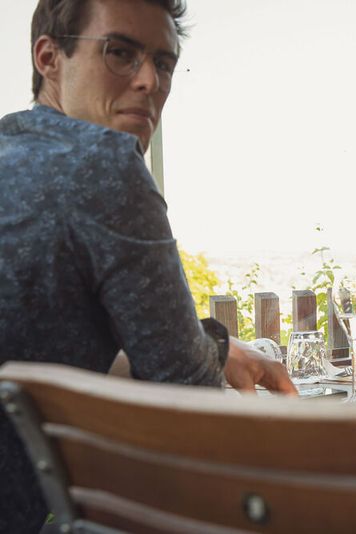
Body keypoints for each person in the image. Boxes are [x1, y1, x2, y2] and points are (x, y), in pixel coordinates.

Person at [0, 1, 296, 531]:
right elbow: (185, 397)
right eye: (119, 53)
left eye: (163, 63)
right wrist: (206, 358)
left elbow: (36, 350)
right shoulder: (103, 162)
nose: (149, 81)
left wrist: (218, 350)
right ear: (49, 57)